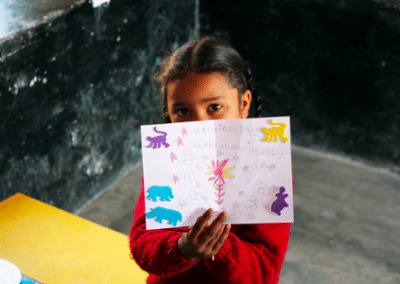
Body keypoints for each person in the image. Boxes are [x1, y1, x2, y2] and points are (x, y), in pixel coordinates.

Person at [129, 36, 291, 284]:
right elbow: (143, 249)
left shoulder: (269, 171)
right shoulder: (165, 166)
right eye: (183, 111)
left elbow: (263, 273)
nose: (199, 125)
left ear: (244, 104)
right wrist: (184, 248)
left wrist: (218, 244)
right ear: (169, 114)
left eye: (214, 107)